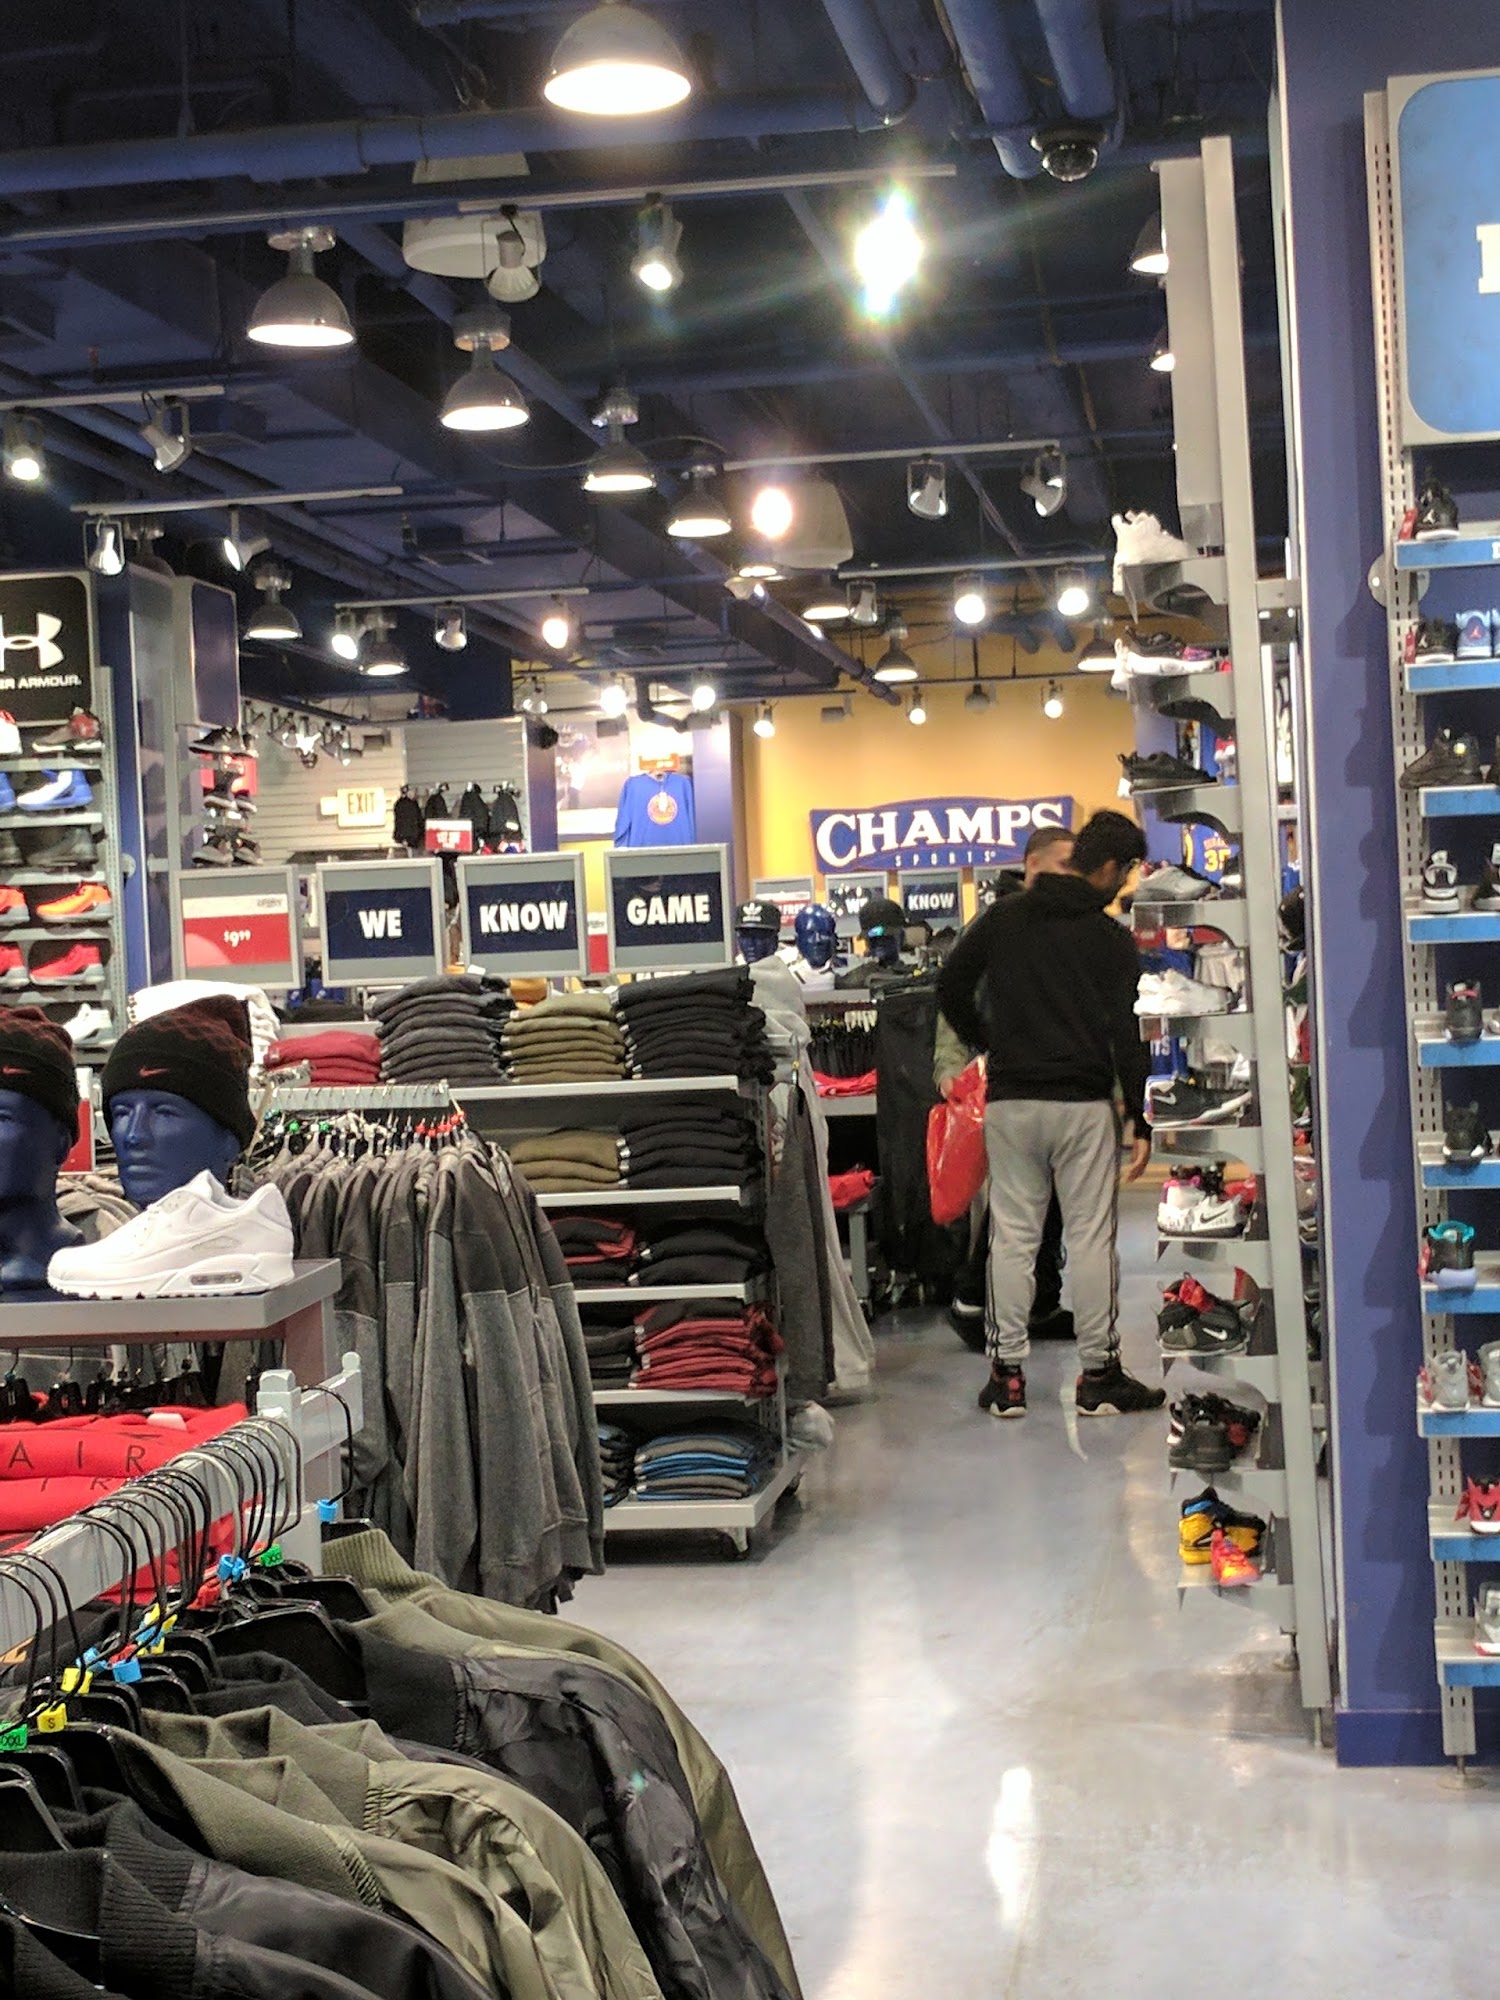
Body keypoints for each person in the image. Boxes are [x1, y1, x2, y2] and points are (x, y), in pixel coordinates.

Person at [937, 809, 1161, 1420]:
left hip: (1011, 1100)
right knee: (1090, 1237)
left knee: (1012, 1236)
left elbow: (950, 985)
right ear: (1109, 867)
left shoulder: (1004, 917)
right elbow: (1128, 1034)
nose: (1124, 885)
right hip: (1083, 1105)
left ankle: (1006, 1378)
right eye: (1127, 872)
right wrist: (1139, 1116)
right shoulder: (1109, 939)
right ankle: (1099, 1375)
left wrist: (989, 1042)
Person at [936, 825, 1077, 1348]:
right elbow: (953, 990)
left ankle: (1036, 1302)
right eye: (1063, 865)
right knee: (1020, 1199)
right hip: (1013, 1080)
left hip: (1043, 1077)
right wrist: (971, 1055)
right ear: (1034, 865)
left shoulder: (1047, 923)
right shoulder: (1002, 922)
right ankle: (974, 1301)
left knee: (1045, 1199)